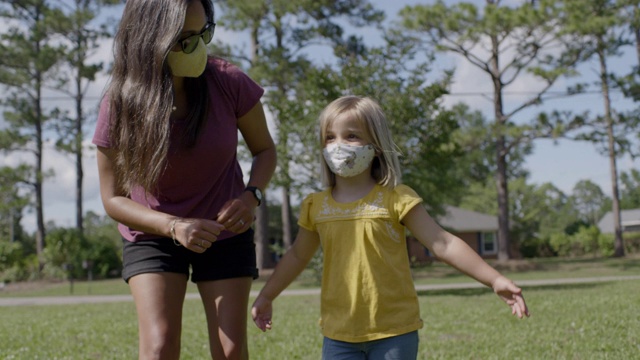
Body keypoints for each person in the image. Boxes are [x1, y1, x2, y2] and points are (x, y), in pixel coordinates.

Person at [251, 95, 529, 359]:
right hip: (338, 335)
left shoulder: (397, 198)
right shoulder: (315, 205)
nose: (338, 145)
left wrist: (494, 279)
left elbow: (442, 244)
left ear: (376, 144)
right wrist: (266, 295)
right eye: (329, 137)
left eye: (352, 135)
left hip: (395, 332)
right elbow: (298, 255)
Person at [92, 0, 276, 359]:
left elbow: (265, 151)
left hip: (224, 231)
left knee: (231, 350)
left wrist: (250, 196)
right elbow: (112, 198)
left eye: (203, 34)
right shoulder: (120, 103)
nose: (198, 48)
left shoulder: (229, 81)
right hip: (153, 233)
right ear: (149, 40)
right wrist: (173, 225)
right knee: (159, 346)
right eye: (184, 39)